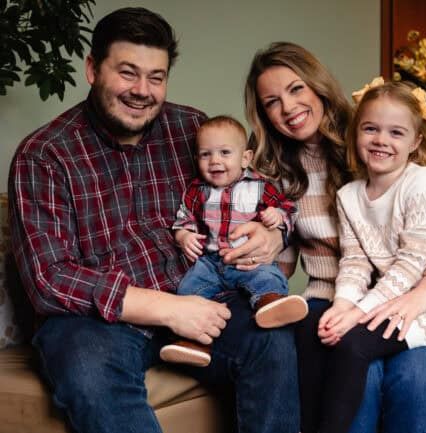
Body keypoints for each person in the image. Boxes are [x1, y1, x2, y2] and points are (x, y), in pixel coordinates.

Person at [8, 9, 300, 433]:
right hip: (97, 324)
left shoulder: (191, 129)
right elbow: (48, 279)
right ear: (92, 69)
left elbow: (251, 192)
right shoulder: (45, 154)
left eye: (156, 77)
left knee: (271, 339)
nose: (142, 91)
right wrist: (169, 309)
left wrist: (273, 234)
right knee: (86, 367)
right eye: (128, 73)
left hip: (200, 295)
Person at [244, 41, 426, 433]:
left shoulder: (383, 129)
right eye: (271, 102)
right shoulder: (274, 170)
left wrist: (425, 292)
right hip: (336, 301)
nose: (289, 108)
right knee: (353, 382)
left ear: (318, 85)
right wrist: (262, 250)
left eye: (296, 89)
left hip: (419, 301)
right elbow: (285, 257)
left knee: (413, 385)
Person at [315, 78, 426, 433]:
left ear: (416, 141)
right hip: (384, 306)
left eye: (396, 133)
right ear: (356, 134)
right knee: (340, 346)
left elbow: (413, 263)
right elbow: (354, 261)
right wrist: (342, 305)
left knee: (388, 368)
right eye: (370, 128)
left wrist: (358, 312)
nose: (381, 140)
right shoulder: (349, 196)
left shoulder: (422, 183)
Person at [160, 115, 307, 367]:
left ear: (245, 158)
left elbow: (289, 208)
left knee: (267, 277)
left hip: (247, 260)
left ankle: (270, 304)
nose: (215, 161)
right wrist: (183, 235)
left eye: (225, 152)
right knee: (188, 290)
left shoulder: (260, 187)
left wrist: (277, 216)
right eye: (205, 154)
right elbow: (184, 217)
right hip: (210, 263)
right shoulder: (197, 191)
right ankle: (195, 343)